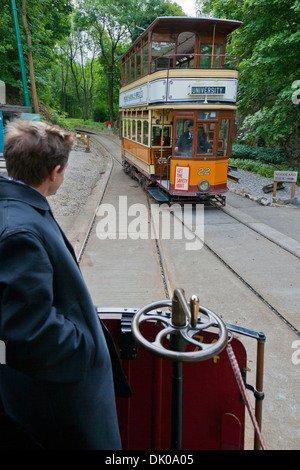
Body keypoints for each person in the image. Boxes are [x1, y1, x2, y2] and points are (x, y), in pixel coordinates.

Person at [0, 119, 124, 450]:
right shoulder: (20, 231)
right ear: (55, 172)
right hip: (64, 403)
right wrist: (85, 347)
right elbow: (30, 329)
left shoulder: (17, 207)